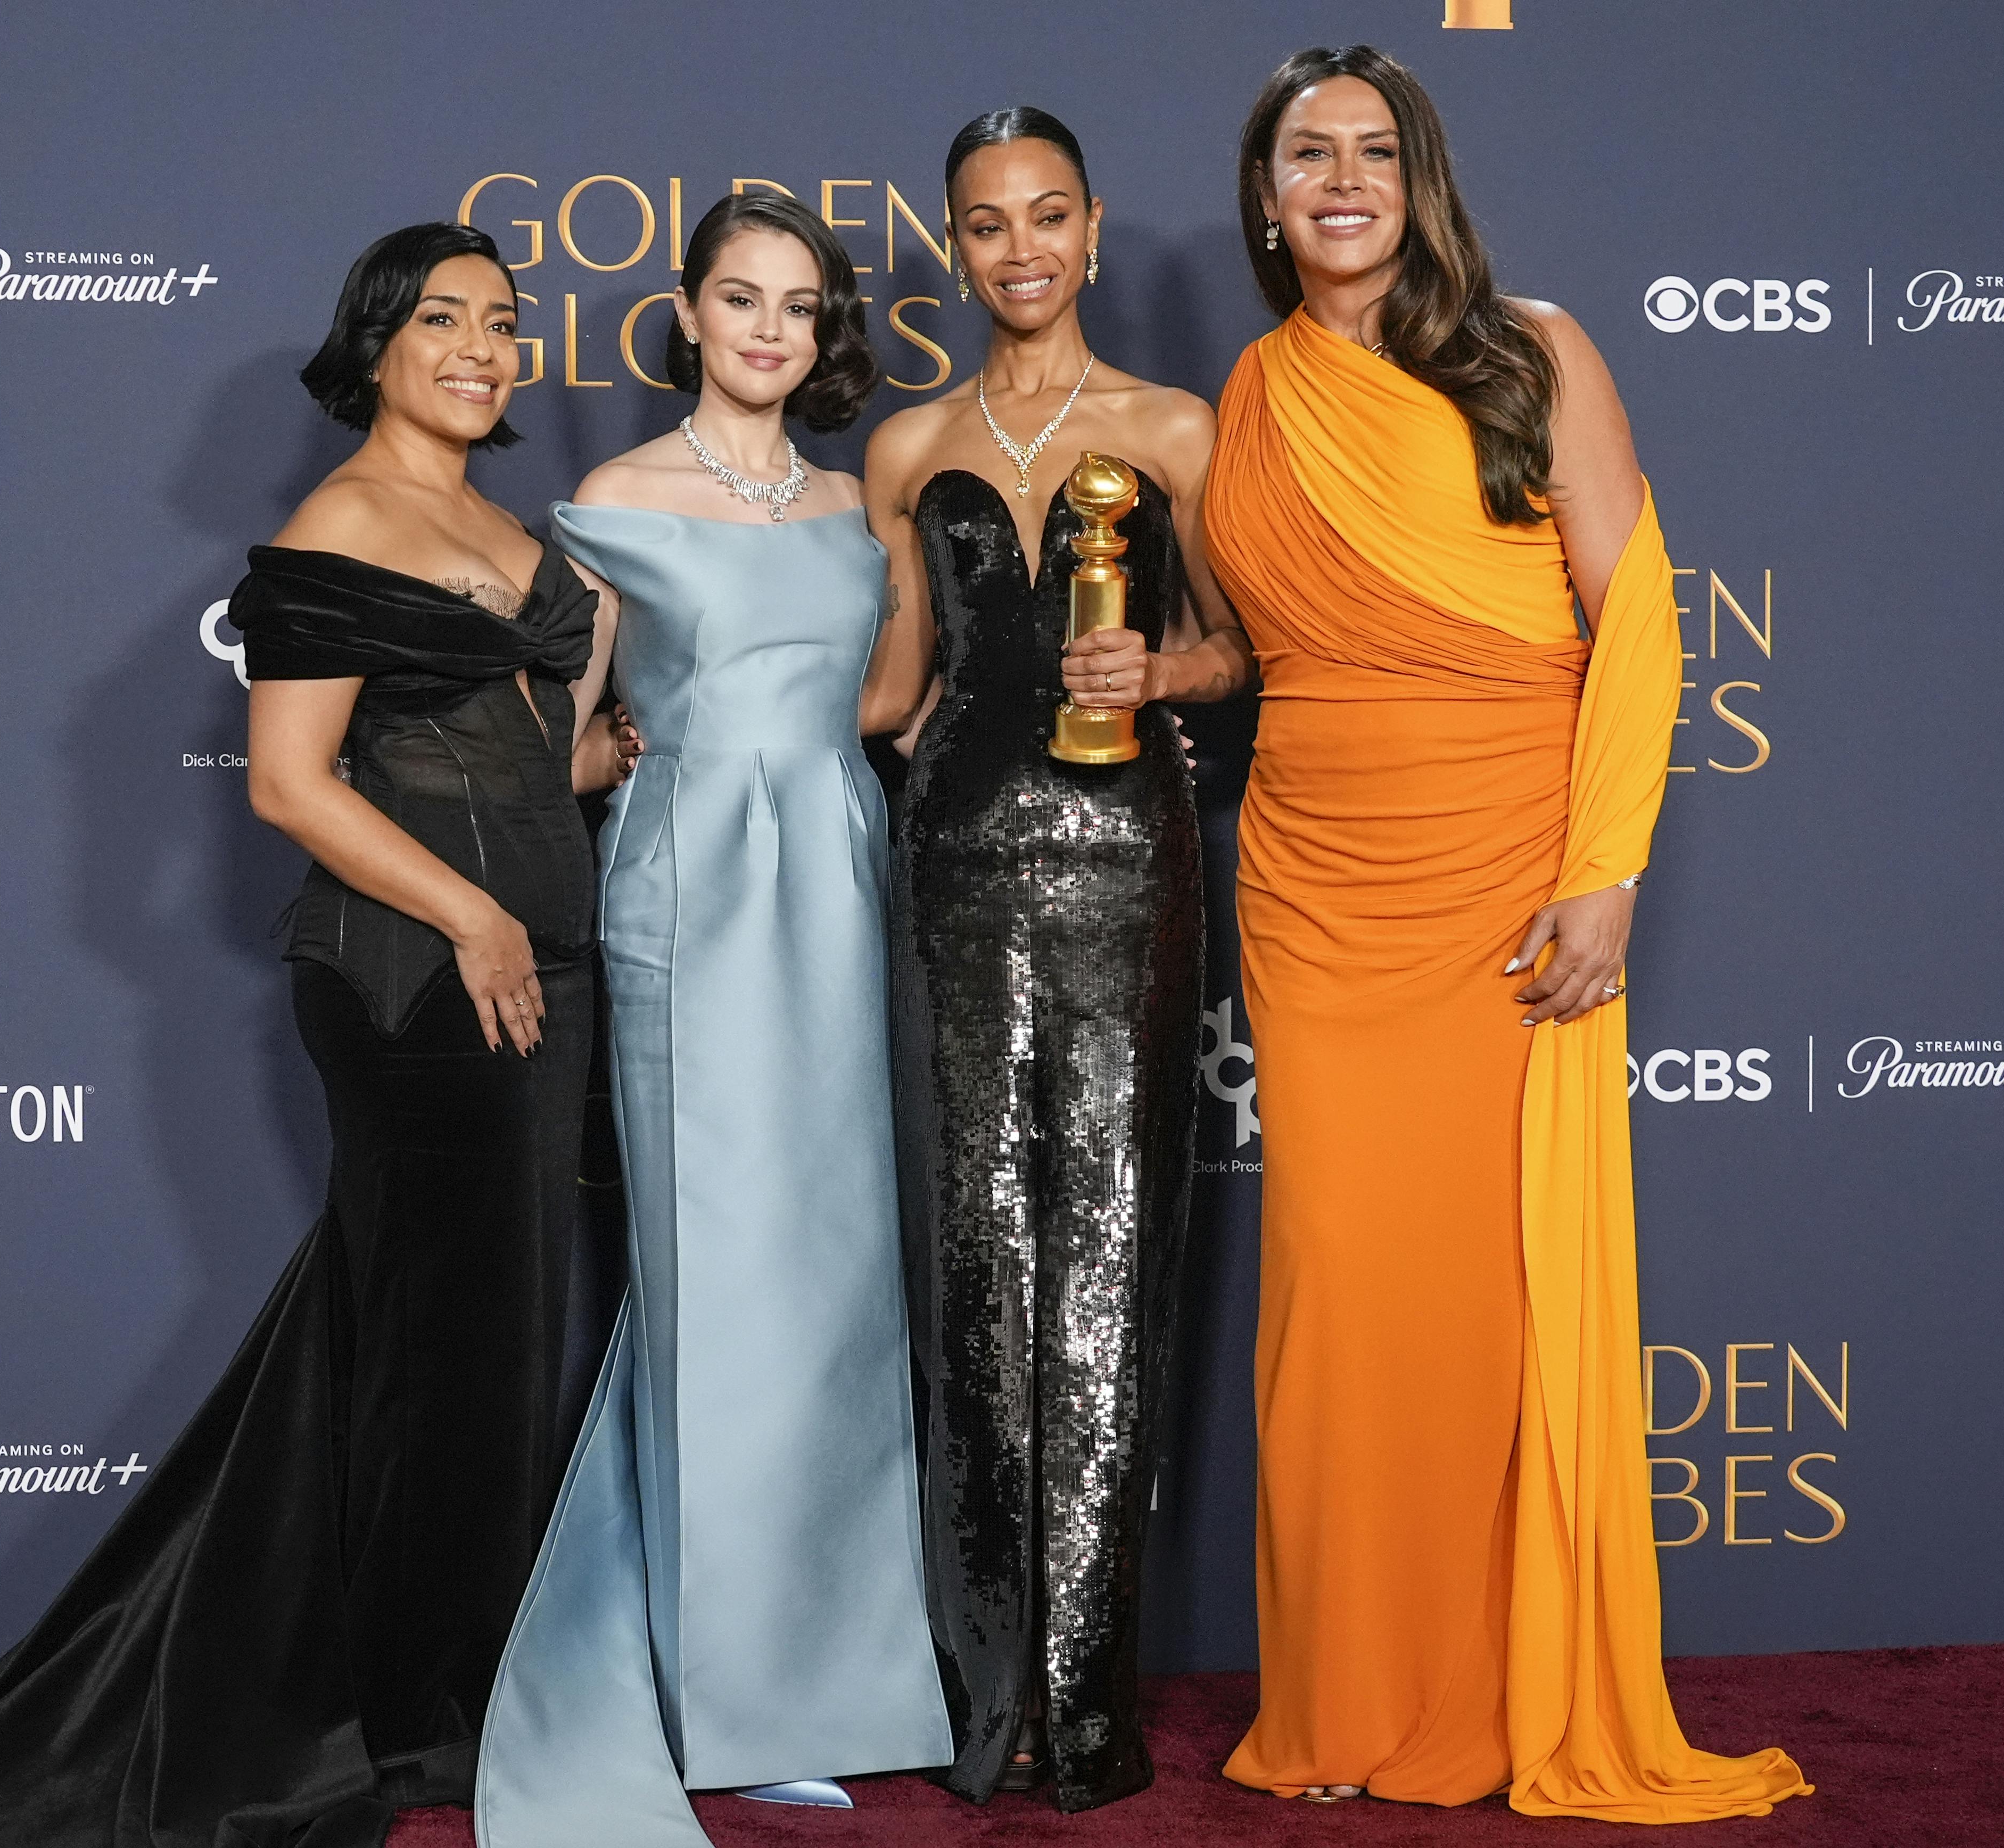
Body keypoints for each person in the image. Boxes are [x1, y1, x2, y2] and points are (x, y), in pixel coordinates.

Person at [0, 221, 633, 1848]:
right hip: (416, 980)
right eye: (443, 319)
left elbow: (539, 756)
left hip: (540, 958)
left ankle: (407, 1682)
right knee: (447, 1358)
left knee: (466, 1343)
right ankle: (416, 1725)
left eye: (505, 321)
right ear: (376, 345)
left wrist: (598, 733)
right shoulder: (342, 523)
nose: (482, 345)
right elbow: (287, 783)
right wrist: (471, 914)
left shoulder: (495, 521)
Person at [1201, 47, 1811, 1820]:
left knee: (1482, 1296)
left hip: (1501, 871)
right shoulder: (1248, 390)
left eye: (1372, 152)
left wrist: (1605, 865)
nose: (1338, 178)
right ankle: (1339, 1703)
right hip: (1311, 884)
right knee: (1335, 1294)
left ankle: (1485, 1695)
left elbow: (1638, 617)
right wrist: (1161, 664)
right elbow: (1269, 643)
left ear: (1420, 181)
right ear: (1262, 197)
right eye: (1304, 154)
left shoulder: (1532, 351)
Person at [472, 192, 951, 1848]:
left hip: (836, 894)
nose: (768, 329)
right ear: (684, 314)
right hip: (687, 903)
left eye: (799, 307)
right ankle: (720, 1697)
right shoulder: (616, 501)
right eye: (739, 299)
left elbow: (885, 709)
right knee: (713, 1279)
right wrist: (634, 770)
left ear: (825, 335)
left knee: (829, 1286)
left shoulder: (853, 503)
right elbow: (565, 736)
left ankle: (827, 1676)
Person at [862, 108, 1251, 1811]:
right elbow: (888, 694)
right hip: (950, 850)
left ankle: (1083, 1706)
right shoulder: (904, 444)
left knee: (1107, 1244)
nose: (1018, 251)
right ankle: (981, 1690)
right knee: (971, 1255)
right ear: (956, 245)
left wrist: (1157, 684)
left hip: (1129, 859)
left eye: (1045, 219)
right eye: (984, 224)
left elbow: (1238, 647)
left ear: (1091, 232)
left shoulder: (1175, 428)